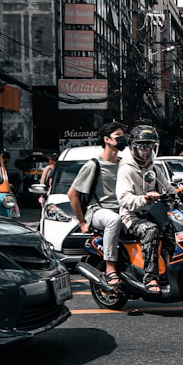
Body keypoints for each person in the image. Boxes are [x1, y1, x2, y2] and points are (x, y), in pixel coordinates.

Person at [68, 122, 127, 289]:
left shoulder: (124, 164)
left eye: (123, 135)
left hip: (122, 210)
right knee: (113, 220)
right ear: (107, 139)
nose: (123, 139)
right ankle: (110, 267)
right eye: (118, 136)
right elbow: (73, 194)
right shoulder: (94, 164)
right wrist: (82, 222)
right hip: (99, 211)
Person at [116, 124, 172, 294]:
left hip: (153, 214)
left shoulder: (154, 168)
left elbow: (168, 189)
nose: (146, 151)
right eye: (141, 147)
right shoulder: (126, 169)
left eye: (149, 147)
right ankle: (150, 277)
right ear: (133, 147)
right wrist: (145, 199)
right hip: (131, 217)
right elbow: (124, 198)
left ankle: (169, 270)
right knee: (151, 231)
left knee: (173, 229)